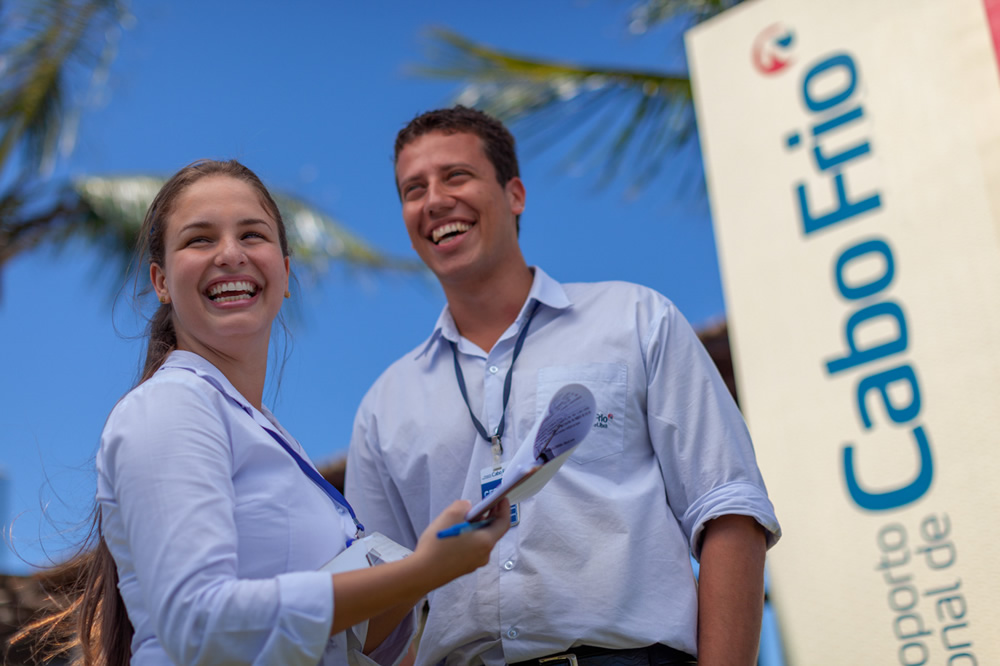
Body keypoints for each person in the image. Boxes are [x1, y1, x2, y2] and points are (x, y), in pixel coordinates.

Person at [13, 159, 509, 666]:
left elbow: (341, 640)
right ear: (160, 282)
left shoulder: (268, 436)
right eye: (199, 239)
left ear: (286, 272)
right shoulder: (171, 405)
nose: (230, 254)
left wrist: (434, 558)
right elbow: (199, 622)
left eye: (252, 235)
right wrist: (420, 572)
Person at [345, 107, 782, 666]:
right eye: (413, 188)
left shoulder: (636, 319)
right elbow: (376, 628)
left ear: (515, 195)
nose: (433, 200)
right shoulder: (384, 407)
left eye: (456, 176)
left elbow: (728, 508)